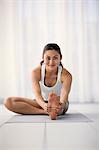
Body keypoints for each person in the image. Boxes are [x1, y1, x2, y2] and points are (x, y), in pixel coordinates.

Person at [4, 43, 72, 120]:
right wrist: (44, 106)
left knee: (58, 104)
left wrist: (60, 105)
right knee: (8, 102)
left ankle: (55, 109)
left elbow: (64, 95)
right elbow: (37, 94)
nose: (51, 62)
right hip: (40, 102)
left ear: (60, 58)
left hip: (59, 104)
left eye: (55, 58)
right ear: (43, 57)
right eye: (48, 58)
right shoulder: (36, 72)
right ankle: (45, 112)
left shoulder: (66, 75)